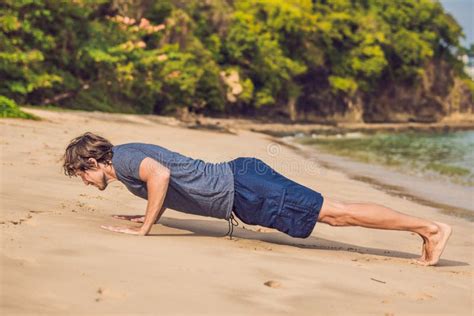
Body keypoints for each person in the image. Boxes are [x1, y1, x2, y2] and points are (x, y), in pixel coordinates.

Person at [62, 132, 452, 266]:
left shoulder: (126, 158)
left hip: (245, 186)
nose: (84, 182)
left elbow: (161, 175)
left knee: (336, 214)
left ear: (92, 162)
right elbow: (166, 182)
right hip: (243, 187)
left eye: (82, 174)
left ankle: (430, 228)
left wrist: (146, 228)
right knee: (333, 214)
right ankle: (424, 230)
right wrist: (145, 213)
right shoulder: (127, 164)